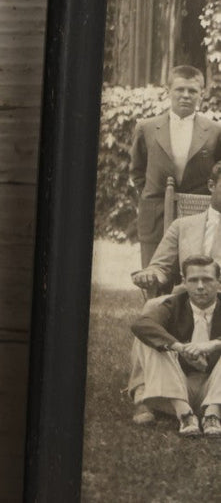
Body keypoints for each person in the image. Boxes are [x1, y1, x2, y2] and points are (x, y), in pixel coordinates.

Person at [131, 65, 220, 267]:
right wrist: (153, 197)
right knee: (153, 273)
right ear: (168, 90)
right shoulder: (146, 128)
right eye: (180, 89)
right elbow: (137, 172)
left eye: (192, 91)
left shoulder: (215, 131)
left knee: (195, 273)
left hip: (197, 215)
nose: (185, 95)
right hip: (155, 216)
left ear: (202, 94)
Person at [130, 256, 221, 437]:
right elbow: (142, 324)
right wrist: (180, 348)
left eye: (207, 280)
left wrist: (214, 344)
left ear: (219, 282)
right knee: (152, 342)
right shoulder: (175, 304)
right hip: (176, 389)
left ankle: (213, 413)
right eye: (193, 280)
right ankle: (185, 415)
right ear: (184, 282)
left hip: (215, 387)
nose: (200, 286)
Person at [132, 169, 221, 295]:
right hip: (186, 298)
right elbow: (160, 267)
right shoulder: (182, 226)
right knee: (153, 306)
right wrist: (151, 274)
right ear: (211, 185)